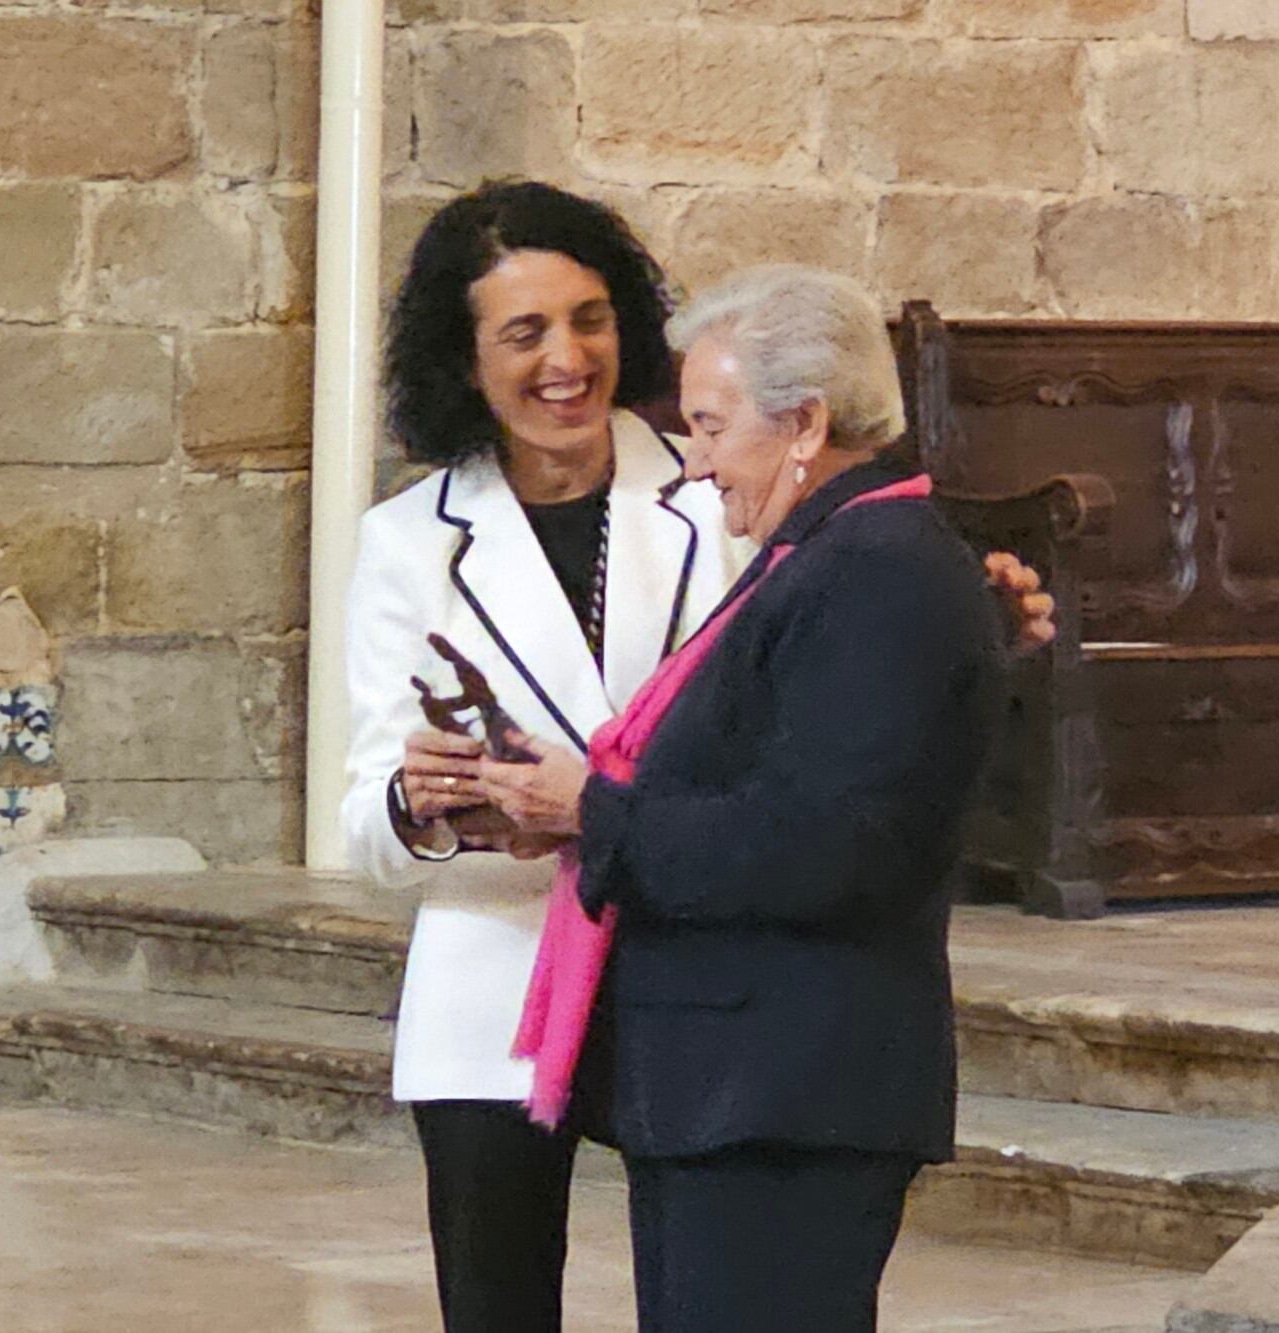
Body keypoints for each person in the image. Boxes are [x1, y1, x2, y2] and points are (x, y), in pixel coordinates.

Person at [343, 185, 1050, 1332]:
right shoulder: (407, 540)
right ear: (461, 360)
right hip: (508, 965)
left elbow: (823, 705)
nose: (565, 359)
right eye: (523, 334)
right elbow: (363, 817)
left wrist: (975, 632)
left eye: (588, 320)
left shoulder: (730, 481)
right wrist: (422, 802)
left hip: (707, 971)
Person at [483, 265, 1009, 1332]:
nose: (697, 457)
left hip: (788, 1095)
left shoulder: (877, 568)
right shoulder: (822, 553)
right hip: (736, 1089)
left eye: (713, 425)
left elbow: (829, 843)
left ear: (806, 422)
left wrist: (595, 812)